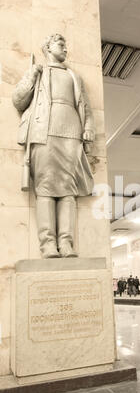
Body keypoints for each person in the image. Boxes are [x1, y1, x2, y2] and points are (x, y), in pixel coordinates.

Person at [12, 34, 96, 258]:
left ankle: (66, 243)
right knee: (45, 189)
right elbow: (18, 100)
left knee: (69, 191)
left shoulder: (73, 75)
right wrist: (30, 75)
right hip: (44, 133)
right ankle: (48, 243)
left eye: (66, 45)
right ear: (48, 47)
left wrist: (88, 127)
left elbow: (85, 106)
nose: (66, 49)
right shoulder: (39, 72)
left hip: (71, 133)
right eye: (61, 44)